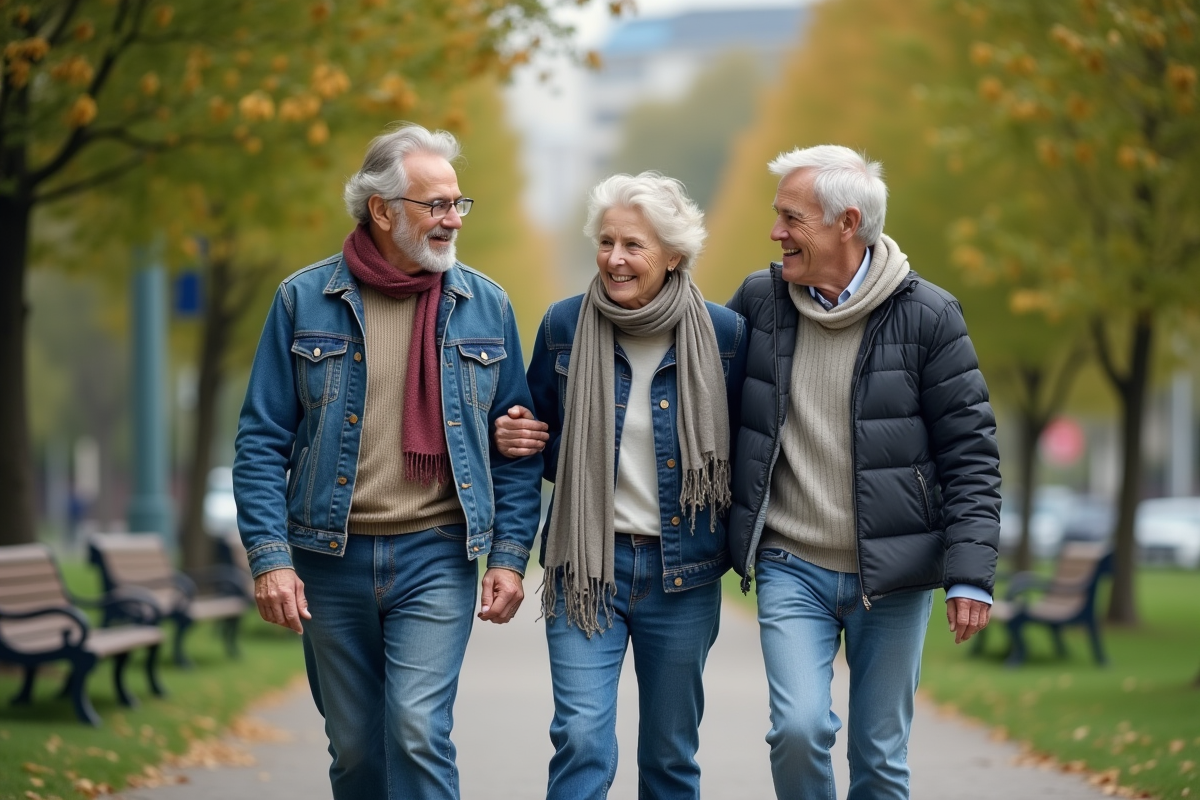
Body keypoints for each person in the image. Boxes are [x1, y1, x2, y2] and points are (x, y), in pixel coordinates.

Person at [232, 123, 542, 800]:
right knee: (355, 751)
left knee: (418, 730)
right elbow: (260, 441)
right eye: (436, 205)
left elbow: (517, 444)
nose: (453, 219)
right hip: (328, 557)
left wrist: (510, 557)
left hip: (435, 554)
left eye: (459, 203)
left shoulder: (486, 305)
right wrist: (271, 558)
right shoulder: (301, 301)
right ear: (381, 210)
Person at [725, 145, 1001, 799]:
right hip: (793, 564)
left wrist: (970, 573)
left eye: (791, 218)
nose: (776, 233)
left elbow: (970, 452)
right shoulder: (761, 302)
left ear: (846, 223)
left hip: (894, 574)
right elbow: (689, 392)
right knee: (796, 728)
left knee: (879, 756)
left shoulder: (929, 316)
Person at [494, 172, 748, 799]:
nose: (615, 259)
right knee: (581, 740)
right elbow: (541, 448)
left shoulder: (724, 335)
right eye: (606, 242)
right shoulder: (563, 325)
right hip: (587, 568)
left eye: (633, 245)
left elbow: (746, 453)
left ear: (673, 255)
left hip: (682, 574)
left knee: (670, 757)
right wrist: (517, 437)